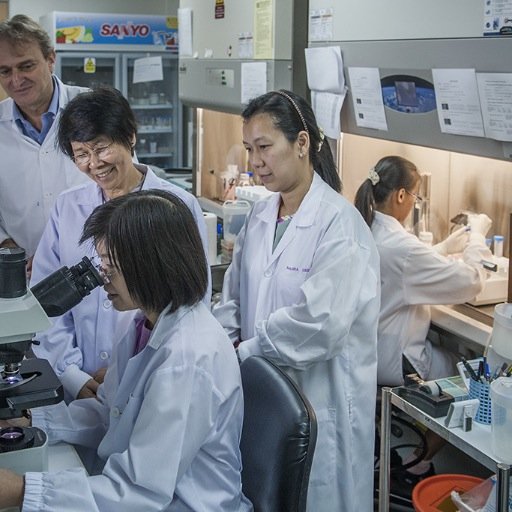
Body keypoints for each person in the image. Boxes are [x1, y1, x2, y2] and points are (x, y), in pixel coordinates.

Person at [0, 190, 252, 512]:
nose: (102, 278)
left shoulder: (187, 359)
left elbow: (138, 493)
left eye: (110, 265)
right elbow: (109, 412)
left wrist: (22, 491)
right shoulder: (143, 326)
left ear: (151, 265)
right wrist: (29, 419)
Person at [212, 90, 381, 512]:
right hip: (260, 394)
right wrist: (216, 343)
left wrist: (247, 350)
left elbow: (318, 325)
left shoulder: (340, 227)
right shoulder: (261, 216)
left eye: (265, 147)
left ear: (302, 143)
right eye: (250, 149)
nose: (255, 161)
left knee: (316, 497)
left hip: (321, 403)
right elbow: (235, 296)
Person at [30, 86, 210, 402]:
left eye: (101, 148)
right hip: (77, 382)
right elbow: (45, 302)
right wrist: (72, 375)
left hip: (152, 377)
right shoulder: (67, 207)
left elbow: (191, 300)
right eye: (81, 154)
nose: (94, 163)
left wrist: (128, 371)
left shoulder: (176, 205)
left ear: (130, 137)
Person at [354, 155, 492, 484]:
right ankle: (416, 460)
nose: (414, 203)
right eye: (415, 197)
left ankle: (404, 449)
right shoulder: (401, 248)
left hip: (368, 355)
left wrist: (445, 247)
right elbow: (473, 280)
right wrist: (477, 238)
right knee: (476, 379)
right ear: (401, 196)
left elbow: (409, 264)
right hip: (395, 362)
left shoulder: (367, 227)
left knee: (448, 357)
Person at [0, 14, 89, 269]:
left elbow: (127, 191)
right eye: (5, 71)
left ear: (51, 59)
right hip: (22, 273)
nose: (16, 80)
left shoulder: (93, 108)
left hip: (96, 271)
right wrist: (6, 246)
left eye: (26, 66)